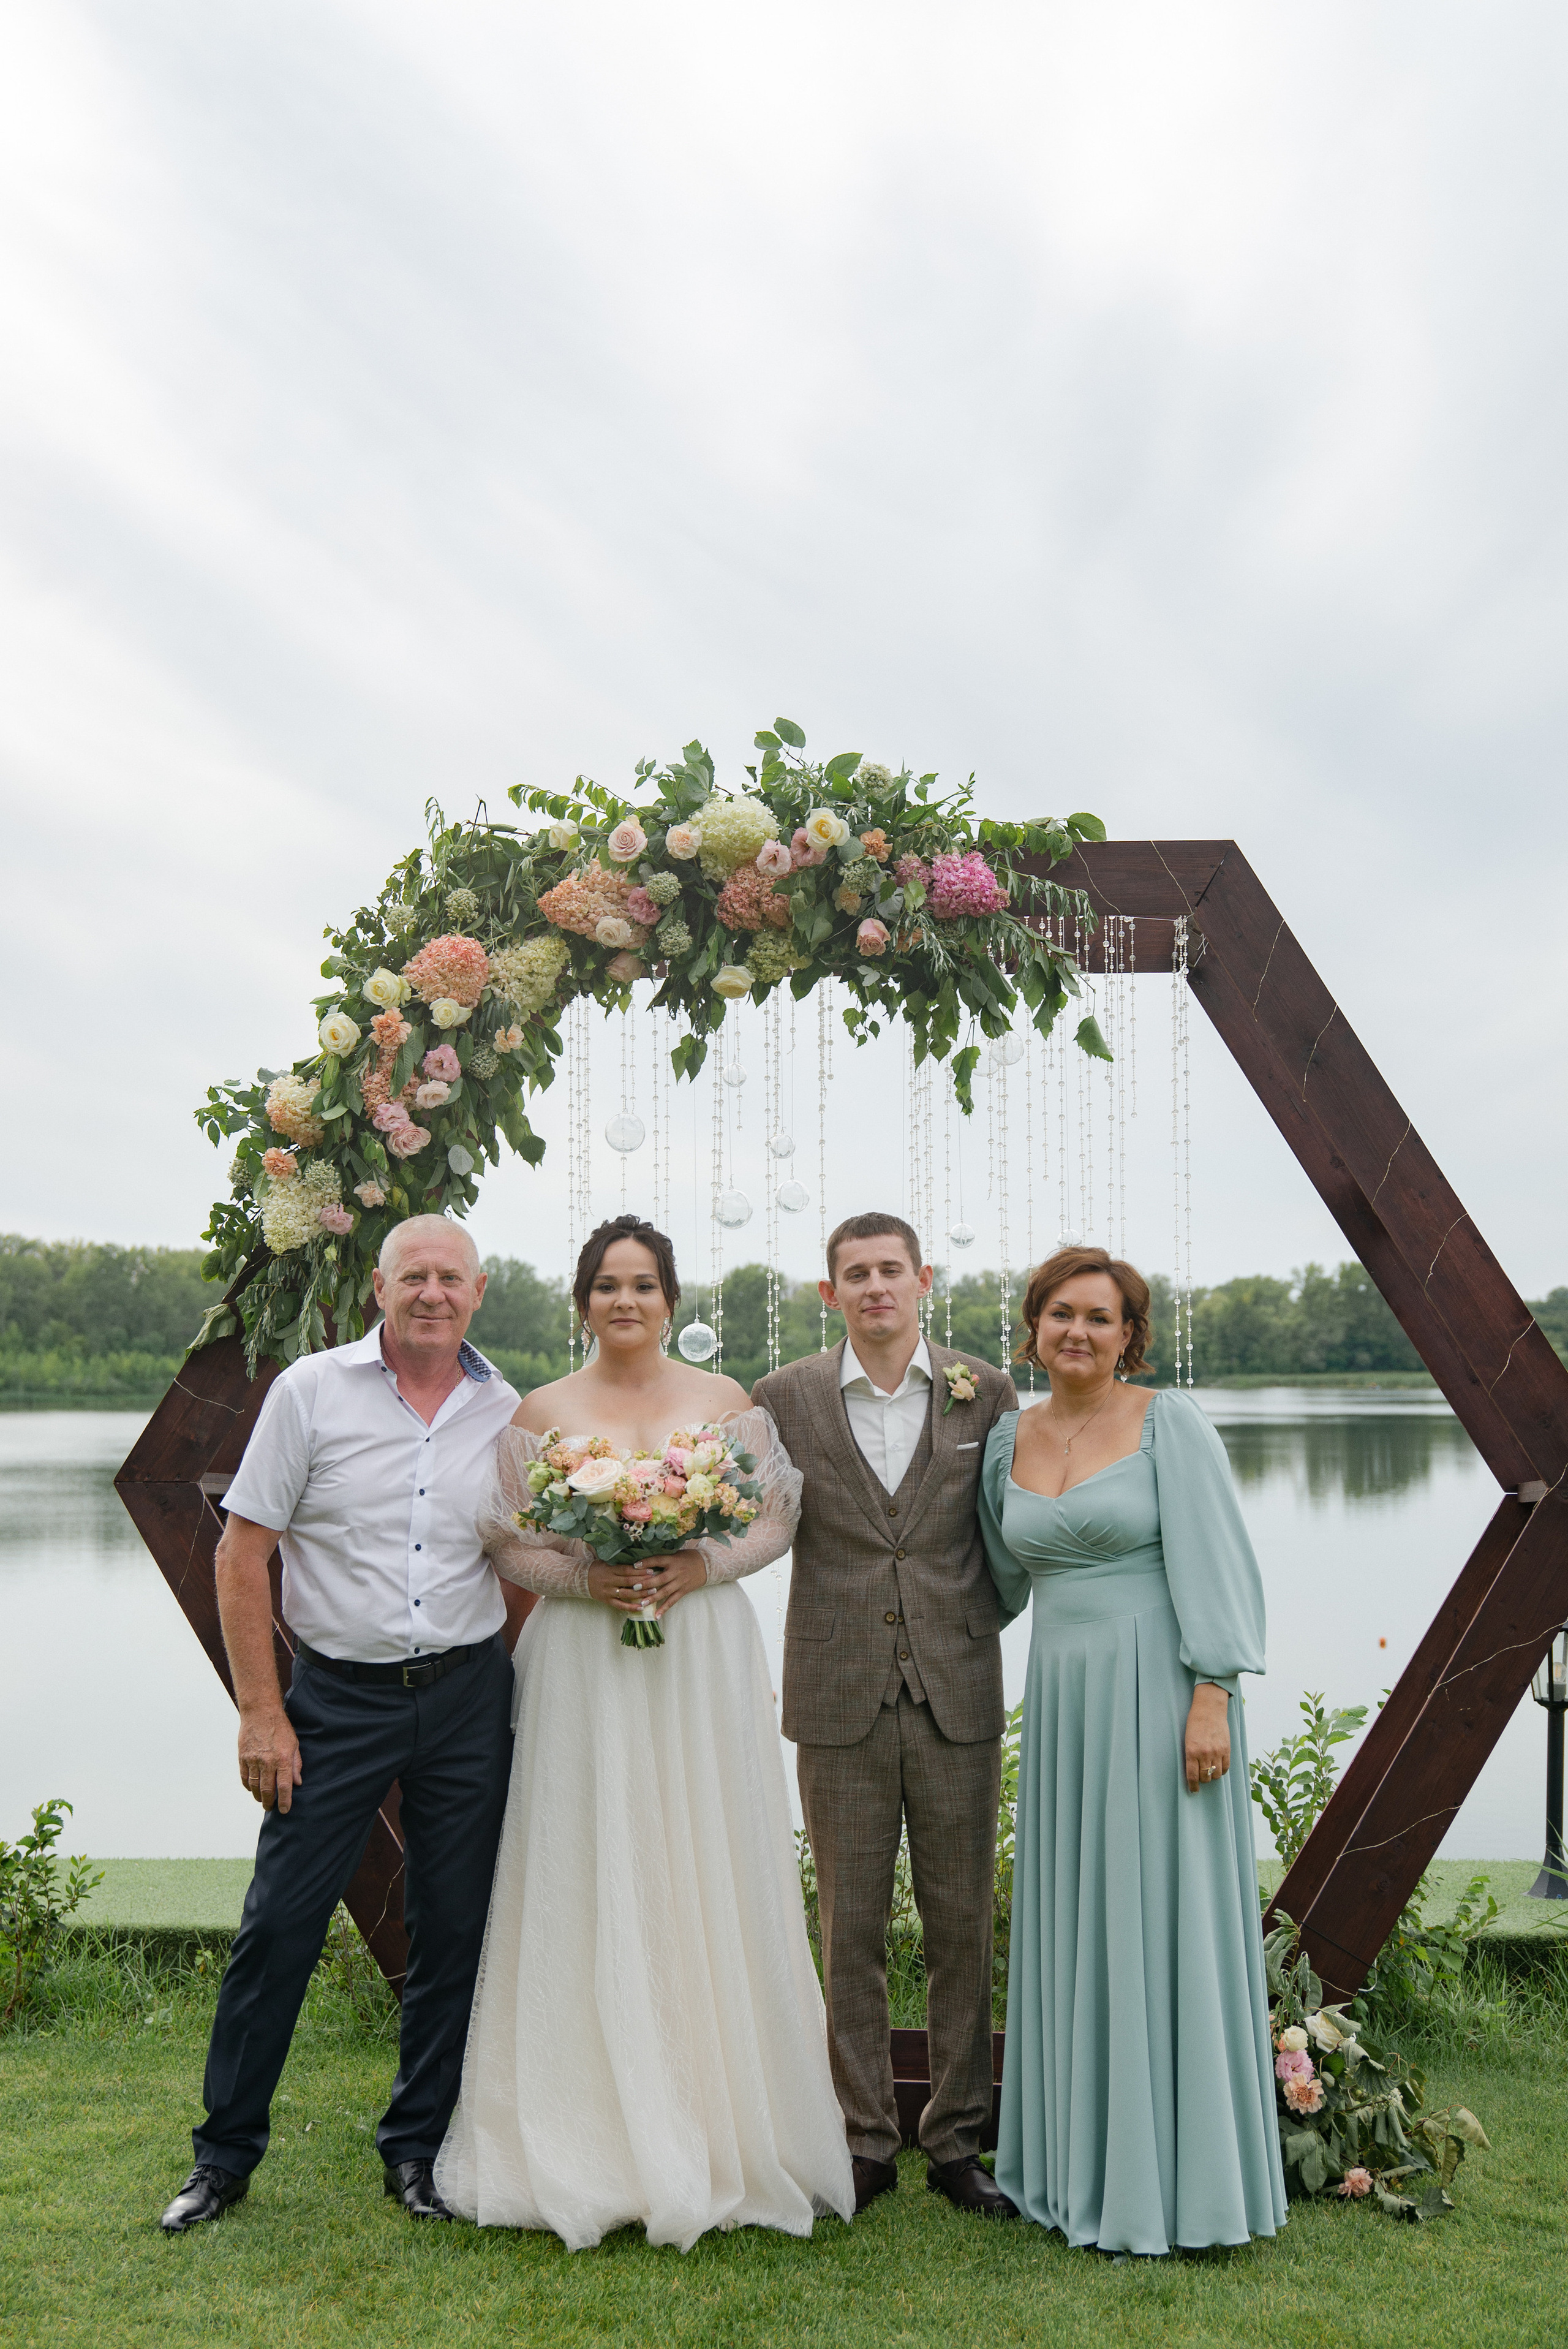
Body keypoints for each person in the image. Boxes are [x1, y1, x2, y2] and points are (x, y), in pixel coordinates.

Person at [435, 1212, 853, 2250]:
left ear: (672, 1300)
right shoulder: (541, 1409)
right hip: (583, 1659)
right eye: (608, 1285)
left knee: (696, 1857)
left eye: (645, 1285)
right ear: (583, 1302)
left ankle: (720, 2124)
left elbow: (777, 1514)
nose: (626, 1301)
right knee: (584, 1859)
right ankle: (588, 2130)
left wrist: (698, 1564)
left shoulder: (724, 1401)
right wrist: (589, 1574)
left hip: (699, 1654)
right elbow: (507, 1539)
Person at [159, 1216, 525, 2234]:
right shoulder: (310, 1389)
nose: (432, 1293)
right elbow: (243, 1554)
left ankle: (416, 2151)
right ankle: (223, 2158)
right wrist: (262, 1711)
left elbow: (527, 1561)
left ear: (479, 1292)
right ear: (379, 1285)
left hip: (466, 1697)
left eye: (451, 1277)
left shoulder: (508, 1410)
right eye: (415, 1274)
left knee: (452, 1931)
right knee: (279, 1924)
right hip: (336, 1700)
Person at [978, 1244, 1287, 2255]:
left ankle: (1184, 2179)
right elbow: (991, 1582)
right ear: (1032, 1326)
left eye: (1099, 1318)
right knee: (1079, 1915)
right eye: (1060, 1313)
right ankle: (1076, 2163)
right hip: (1065, 1700)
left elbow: (1221, 1564)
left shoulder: (1170, 1424)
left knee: (1166, 1918)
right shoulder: (1004, 1439)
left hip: (1163, 1692)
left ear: (1129, 1335)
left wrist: (1212, 1692)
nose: (1078, 1331)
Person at [751, 1212, 1020, 2219]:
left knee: (961, 1925)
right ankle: (863, 2138)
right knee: (848, 1926)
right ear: (830, 1294)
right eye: (855, 1274)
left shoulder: (984, 1389)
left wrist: (976, 1619)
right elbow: (746, 1521)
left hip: (956, 1691)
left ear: (924, 1280)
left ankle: (955, 2138)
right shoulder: (781, 1398)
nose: (875, 1287)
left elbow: (1013, 1523)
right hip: (837, 1696)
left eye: (891, 1271)